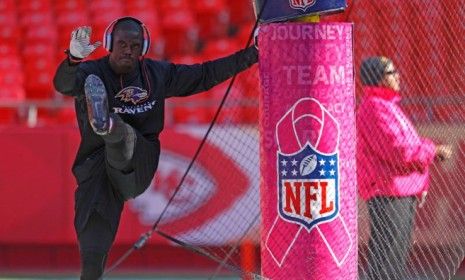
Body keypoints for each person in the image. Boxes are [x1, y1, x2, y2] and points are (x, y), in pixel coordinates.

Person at [53, 16, 258, 279]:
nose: (128, 49)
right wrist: (72, 59)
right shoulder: (91, 73)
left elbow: (205, 75)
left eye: (135, 45)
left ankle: (108, 124)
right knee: (93, 237)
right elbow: (63, 84)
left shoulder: (157, 74)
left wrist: (252, 54)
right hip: (96, 166)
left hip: (139, 161)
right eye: (122, 44)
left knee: (123, 135)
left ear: (144, 47)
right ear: (108, 44)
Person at [356, 56, 452, 280]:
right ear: (378, 79)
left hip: (399, 191)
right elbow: (398, 151)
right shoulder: (374, 108)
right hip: (388, 192)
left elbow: (408, 147)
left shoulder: (387, 107)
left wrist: (422, 180)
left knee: (395, 259)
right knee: (386, 259)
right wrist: (433, 151)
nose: (398, 75)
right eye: (391, 72)